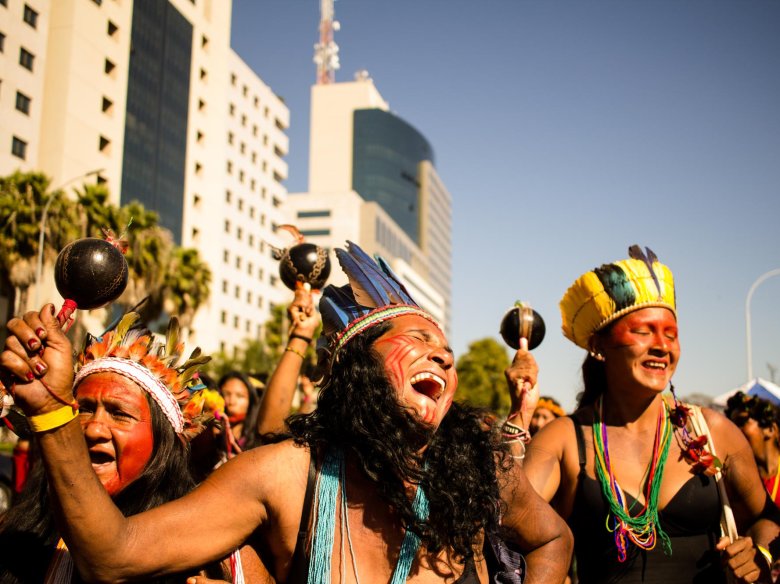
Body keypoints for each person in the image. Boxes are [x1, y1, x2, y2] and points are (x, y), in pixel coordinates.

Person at [1, 241, 572, 583]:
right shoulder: (285, 476)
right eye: (416, 338)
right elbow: (114, 555)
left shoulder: (483, 470)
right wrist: (53, 412)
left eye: (443, 346)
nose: (442, 354)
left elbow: (553, 541)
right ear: (357, 373)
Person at [505, 245, 780, 583]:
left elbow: (768, 519)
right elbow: (510, 520)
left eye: (671, 335)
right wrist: (520, 411)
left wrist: (760, 553)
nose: (662, 346)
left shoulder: (712, 430)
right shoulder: (566, 438)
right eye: (643, 331)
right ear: (598, 346)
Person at [0, 312, 269, 583]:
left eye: (119, 413)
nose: (93, 429)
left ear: (163, 445)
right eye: (84, 409)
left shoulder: (221, 555)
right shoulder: (20, 534)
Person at [725, 392, 780, 509]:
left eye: (741, 422)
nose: (734, 431)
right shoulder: (731, 482)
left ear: (770, 429)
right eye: (732, 425)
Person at [218, 370, 262, 453]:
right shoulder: (210, 436)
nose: (231, 401)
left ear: (250, 402)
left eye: (240, 396)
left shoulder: (259, 439)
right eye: (226, 394)